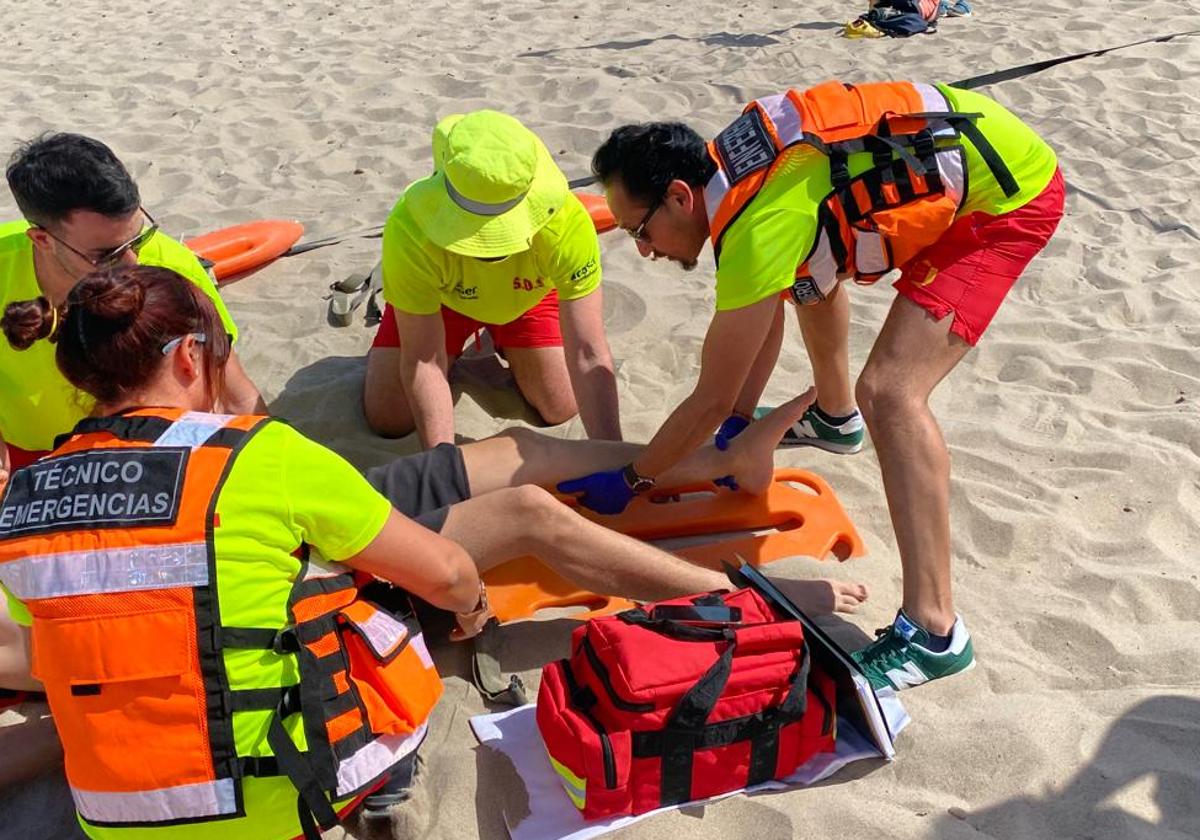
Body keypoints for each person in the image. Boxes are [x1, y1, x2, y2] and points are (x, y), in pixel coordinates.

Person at [0, 264, 866, 838]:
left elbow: (54, 650)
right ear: (192, 356)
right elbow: (447, 574)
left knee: (476, 465)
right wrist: (474, 609)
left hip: (113, 815)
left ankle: (708, 461)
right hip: (289, 787)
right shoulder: (257, 456)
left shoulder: (28, 499)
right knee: (522, 507)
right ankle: (768, 601)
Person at [570, 79, 1064, 691]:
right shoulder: (730, 167)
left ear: (678, 197)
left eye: (638, 231)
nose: (643, 251)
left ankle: (934, 631)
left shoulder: (758, 227)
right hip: (974, 142)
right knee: (812, 268)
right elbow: (770, 306)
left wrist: (635, 477)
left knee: (890, 392)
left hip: (1007, 199)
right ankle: (834, 417)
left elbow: (709, 397)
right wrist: (736, 430)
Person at [0, 132, 264, 491]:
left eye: (139, 238)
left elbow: (237, 397)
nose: (133, 263)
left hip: (150, 460)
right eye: (107, 254)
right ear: (42, 240)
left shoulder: (173, 267)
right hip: (29, 462)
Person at [363, 110, 621, 446]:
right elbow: (423, 359)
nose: (489, 247)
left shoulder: (565, 221)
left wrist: (616, 459)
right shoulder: (409, 227)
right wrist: (443, 463)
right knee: (388, 417)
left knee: (560, 405)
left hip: (527, 297)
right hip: (442, 301)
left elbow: (588, 350)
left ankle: (503, 342)